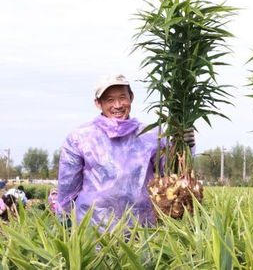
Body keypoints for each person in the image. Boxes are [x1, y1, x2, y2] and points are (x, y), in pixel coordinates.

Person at [57, 74, 195, 228]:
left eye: (122, 97)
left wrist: (184, 145)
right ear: (98, 103)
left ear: (131, 98)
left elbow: (171, 173)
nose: (117, 105)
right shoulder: (80, 137)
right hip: (93, 231)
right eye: (109, 100)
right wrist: (63, 217)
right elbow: (67, 185)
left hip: (142, 229)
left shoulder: (151, 135)